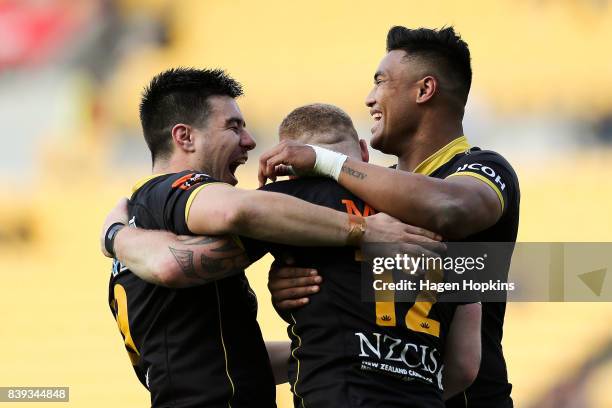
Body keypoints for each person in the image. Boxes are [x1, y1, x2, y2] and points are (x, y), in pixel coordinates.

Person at [106, 103, 482, 408]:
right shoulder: (430, 212)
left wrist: (118, 236)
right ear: (364, 152)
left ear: (291, 165)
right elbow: (465, 366)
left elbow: (178, 261)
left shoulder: (289, 205)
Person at [259, 27, 520, 408]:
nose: (369, 99)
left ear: (424, 90)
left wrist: (326, 161)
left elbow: (450, 212)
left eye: (380, 82)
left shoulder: (480, 168)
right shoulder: (365, 197)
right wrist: (316, 279)